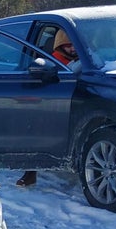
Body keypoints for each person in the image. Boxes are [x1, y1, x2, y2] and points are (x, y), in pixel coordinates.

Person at [17, 29, 80, 187]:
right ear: (59, 45)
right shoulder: (52, 60)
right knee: (36, 131)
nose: (73, 49)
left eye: (75, 45)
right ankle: (31, 171)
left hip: (76, 102)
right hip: (49, 104)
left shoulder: (85, 59)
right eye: (68, 45)